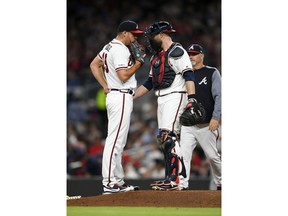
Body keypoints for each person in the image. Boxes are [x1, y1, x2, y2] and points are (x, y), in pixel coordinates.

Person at [134, 21, 203, 191]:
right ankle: (171, 178)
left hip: (176, 95)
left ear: (162, 35)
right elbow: (149, 83)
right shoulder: (156, 57)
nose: (150, 39)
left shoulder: (177, 52)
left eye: (153, 35)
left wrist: (192, 98)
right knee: (164, 138)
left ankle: (176, 180)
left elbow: (189, 76)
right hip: (161, 98)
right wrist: (129, 97)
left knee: (168, 136)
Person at [90, 20, 145, 194]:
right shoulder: (120, 49)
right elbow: (123, 75)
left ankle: (117, 180)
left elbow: (94, 64)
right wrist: (138, 64)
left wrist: (105, 85)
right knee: (114, 141)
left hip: (116, 94)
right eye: (133, 34)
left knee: (118, 142)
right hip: (120, 95)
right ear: (124, 33)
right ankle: (109, 182)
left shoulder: (108, 47)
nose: (135, 38)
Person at [180, 44, 222, 190]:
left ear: (202, 56)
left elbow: (219, 96)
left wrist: (215, 118)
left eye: (194, 54)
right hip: (188, 125)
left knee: (212, 157)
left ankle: (221, 182)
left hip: (206, 124)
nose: (191, 56)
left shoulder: (211, 72)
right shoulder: (184, 74)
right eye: (189, 54)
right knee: (184, 154)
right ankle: (182, 185)